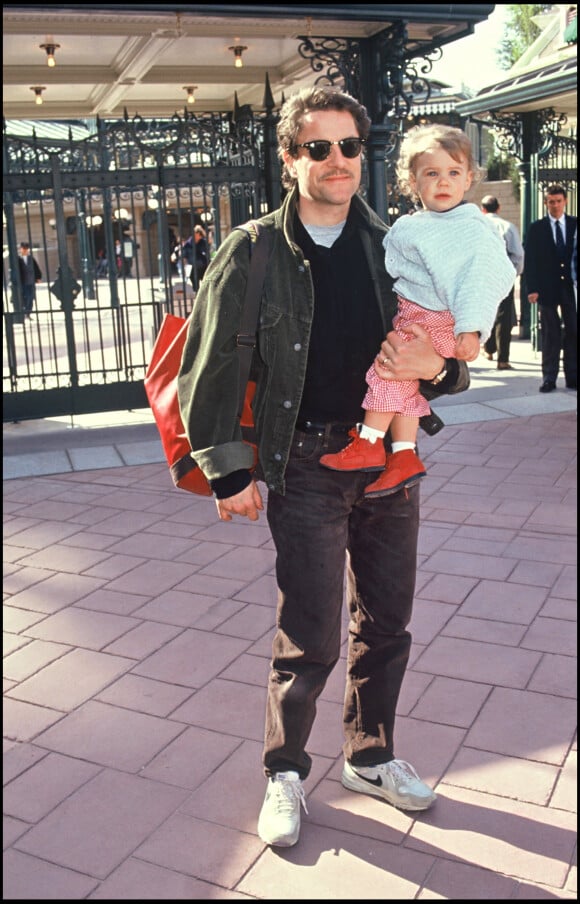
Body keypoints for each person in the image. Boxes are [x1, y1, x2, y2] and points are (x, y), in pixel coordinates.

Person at [177, 86, 471, 849]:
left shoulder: (400, 243)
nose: (337, 161)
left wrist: (438, 363)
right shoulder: (254, 251)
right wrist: (228, 471)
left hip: (388, 460)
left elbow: (447, 346)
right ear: (289, 159)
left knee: (389, 620)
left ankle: (370, 756)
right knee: (309, 630)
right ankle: (285, 771)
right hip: (306, 461)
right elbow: (204, 366)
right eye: (318, 148)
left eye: (349, 148)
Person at [319, 125, 516, 498]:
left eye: (453, 173)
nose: (443, 182)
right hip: (418, 314)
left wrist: (472, 328)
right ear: (413, 181)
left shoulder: (470, 228)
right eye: (432, 173)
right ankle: (405, 455)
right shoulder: (421, 224)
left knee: (389, 370)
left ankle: (370, 441)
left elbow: (483, 276)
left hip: (434, 319)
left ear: (469, 179)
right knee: (404, 382)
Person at [524, 184, 577, 392]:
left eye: (558, 201)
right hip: (547, 289)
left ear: (565, 201)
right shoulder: (537, 228)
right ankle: (549, 378)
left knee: (573, 331)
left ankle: (573, 376)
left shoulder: (574, 224)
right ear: (546, 203)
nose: (555, 205)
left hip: (570, 289)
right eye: (551, 201)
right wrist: (532, 289)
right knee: (550, 334)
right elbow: (531, 261)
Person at [480, 195, 525, 370]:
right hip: (502, 276)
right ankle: (503, 359)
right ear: (498, 208)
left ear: (483, 209)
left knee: (485, 313)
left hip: (481, 278)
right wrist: (514, 273)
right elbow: (518, 254)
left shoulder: (475, 227)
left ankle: (489, 348)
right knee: (503, 316)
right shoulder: (508, 227)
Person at [17, 241, 42, 319]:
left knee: (31, 297)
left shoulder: (31, 258)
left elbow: (36, 268)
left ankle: (28, 313)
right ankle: (24, 312)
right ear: (20, 249)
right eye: (23, 248)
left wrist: (38, 277)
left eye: (26, 248)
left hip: (31, 281)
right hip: (22, 282)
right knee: (25, 297)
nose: (25, 250)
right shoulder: (18, 259)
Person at [190, 224, 209, 290]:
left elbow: (206, 251)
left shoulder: (203, 242)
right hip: (196, 263)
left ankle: (204, 291)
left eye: (195, 233)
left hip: (203, 263)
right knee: (193, 277)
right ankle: (197, 291)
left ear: (198, 233)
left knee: (204, 278)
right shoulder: (192, 241)